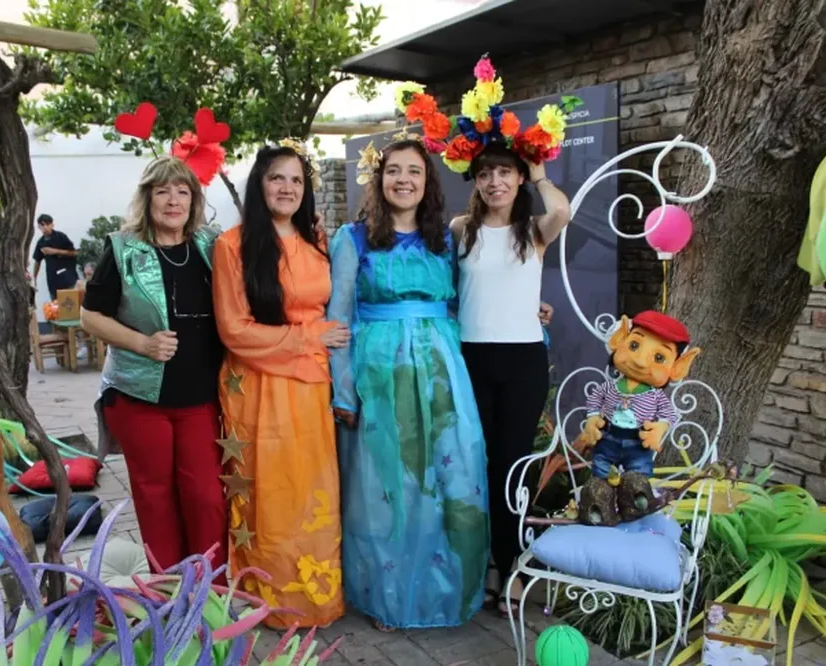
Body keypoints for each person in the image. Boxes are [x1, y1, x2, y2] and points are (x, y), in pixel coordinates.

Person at [328, 139, 490, 631]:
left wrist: (531, 315)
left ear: (427, 181)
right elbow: (337, 316)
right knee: (386, 488)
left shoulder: (447, 238)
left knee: (450, 477)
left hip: (442, 372)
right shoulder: (352, 239)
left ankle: (446, 590)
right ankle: (390, 597)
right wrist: (343, 389)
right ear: (379, 180)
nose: (403, 180)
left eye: (414, 171)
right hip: (380, 375)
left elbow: (467, 303)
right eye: (393, 171)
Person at [213, 143, 348, 629]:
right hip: (259, 388)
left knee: (312, 490)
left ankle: (314, 596)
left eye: (295, 179)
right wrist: (309, 335)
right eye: (276, 178)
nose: (287, 188)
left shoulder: (317, 238)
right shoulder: (233, 245)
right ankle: (265, 596)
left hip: (311, 384)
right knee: (269, 494)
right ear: (259, 185)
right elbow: (234, 329)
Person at [79, 156, 226, 571]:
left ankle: (209, 584)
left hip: (201, 397)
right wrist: (142, 343)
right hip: (140, 396)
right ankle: (167, 589)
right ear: (147, 198)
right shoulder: (122, 249)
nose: (173, 200)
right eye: (163, 191)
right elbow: (90, 316)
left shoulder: (211, 246)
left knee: (206, 496)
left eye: (182, 191)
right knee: (156, 496)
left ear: (194, 200)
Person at [453, 142, 571, 617]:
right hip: (470, 360)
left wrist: (540, 173)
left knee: (510, 469)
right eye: (486, 175)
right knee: (475, 469)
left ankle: (514, 568)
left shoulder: (533, 230)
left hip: (522, 364)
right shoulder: (462, 231)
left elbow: (562, 208)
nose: (495, 182)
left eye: (505, 173)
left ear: (518, 179)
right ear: (476, 182)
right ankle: (486, 568)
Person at [32, 214, 79, 298]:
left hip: (68, 279)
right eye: (42, 225)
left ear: (52, 225)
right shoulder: (40, 242)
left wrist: (55, 251)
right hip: (53, 282)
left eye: (47, 224)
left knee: (72, 306)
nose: (45, 227)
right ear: (38, 227)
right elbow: (37, 261)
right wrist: (34, 278)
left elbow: (74, 253)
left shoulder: (61, 236)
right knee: (55, 308)